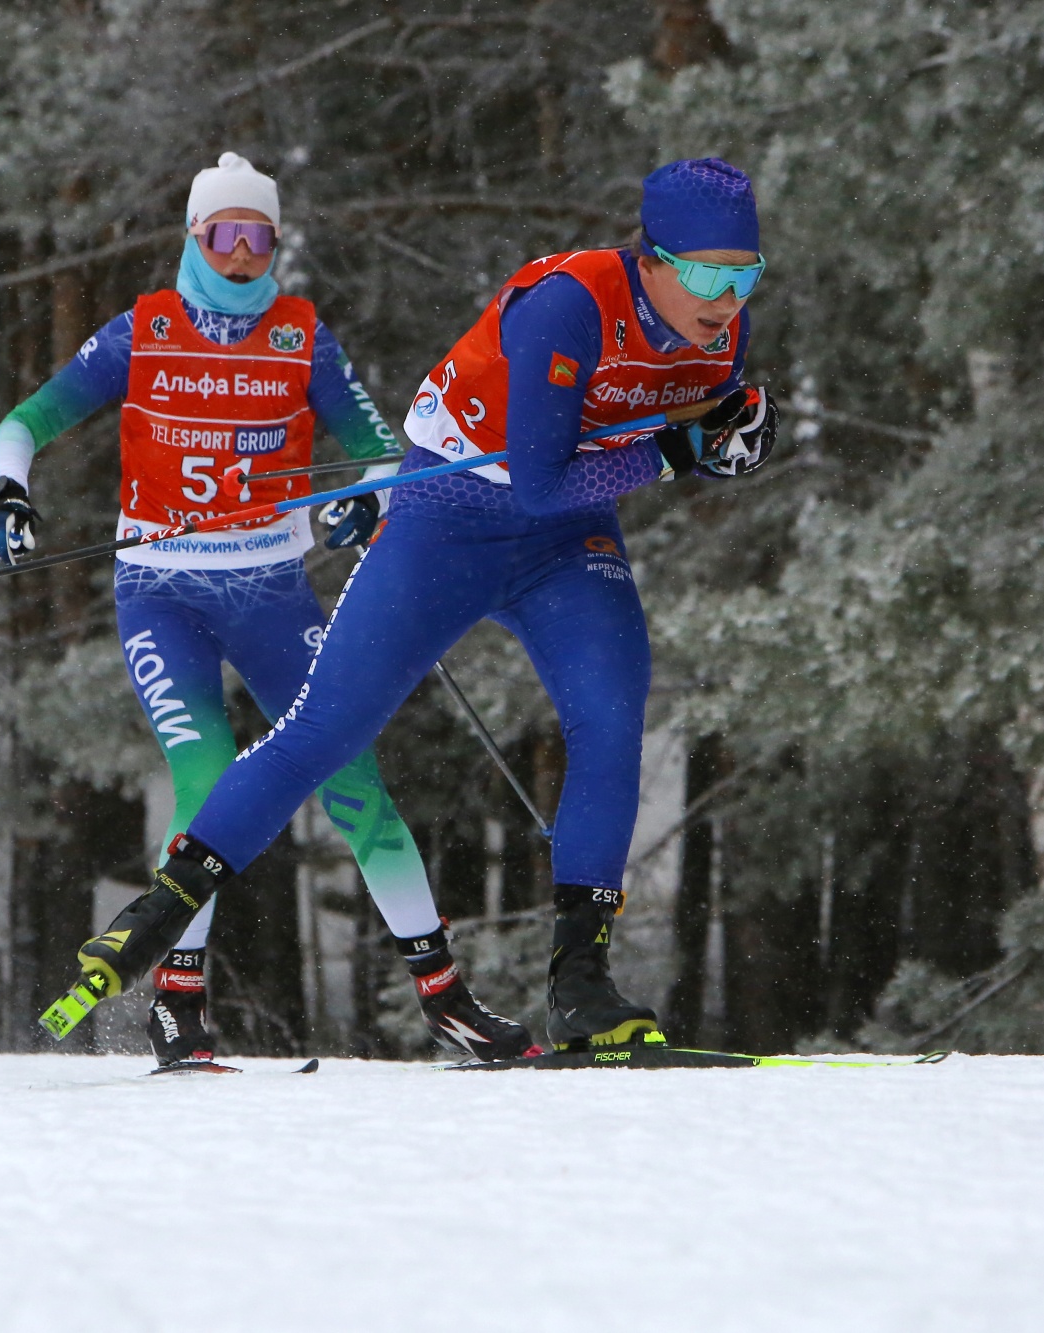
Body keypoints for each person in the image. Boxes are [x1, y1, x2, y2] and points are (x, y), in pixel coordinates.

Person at [67, 157, 779, 1053]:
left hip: (565, 540)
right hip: (452, 518)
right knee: (326, 729)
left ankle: (583, 990)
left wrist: (735, 433)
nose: (726, 299)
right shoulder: (568, 305)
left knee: (610, 719)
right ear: (654, 260)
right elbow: (539, 477)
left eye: (745, 275)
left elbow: (693, 428)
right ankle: (159, 914)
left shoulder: (724, 327)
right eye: (710, 275)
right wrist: (680, 455)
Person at [0, 152, 531, 1066]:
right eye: (223, 235)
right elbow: (24, 422)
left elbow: (383, 454)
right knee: (204, 781)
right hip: (162, 593)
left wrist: (366, 498)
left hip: (273, 592)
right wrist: (10, 492)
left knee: (357, 785)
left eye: (259, 236)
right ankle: (179, 1008)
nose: (241, 254)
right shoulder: (144, 330)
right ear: (194, 239)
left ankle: (447, 1000)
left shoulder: (301, 336)